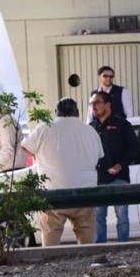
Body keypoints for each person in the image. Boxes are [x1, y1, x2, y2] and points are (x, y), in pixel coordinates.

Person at [21, 98, 104, 246]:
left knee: (50, 239)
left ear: (56, 113)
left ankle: (50, 264)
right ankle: (88, 265)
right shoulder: (90, 131)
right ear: (77, 113)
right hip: (85, 194)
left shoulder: (44, 128)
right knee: (86, 242)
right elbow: (99, 156)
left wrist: (40, 155)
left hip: (53, 194)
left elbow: (26, 147)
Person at [89, 90, 138, 243]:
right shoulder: (91, 127)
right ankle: (99, 250)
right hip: (98, 179)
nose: (94, 106)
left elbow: (134, 148)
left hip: (119, 178)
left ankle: (123, 247)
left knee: (122, 218)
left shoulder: (122, 125)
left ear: (108, 105)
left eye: (97, 102)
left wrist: (121, 165)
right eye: (92, 103)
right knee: (98, 219)